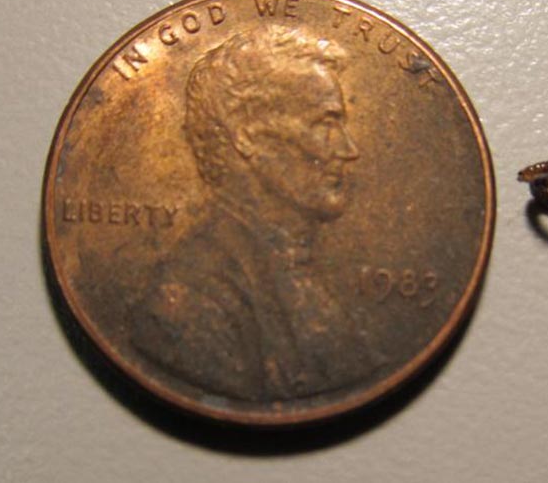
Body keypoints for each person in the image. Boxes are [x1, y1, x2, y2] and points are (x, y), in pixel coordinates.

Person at [130, 25, 378, 401]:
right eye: (325, 124)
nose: (348, 149)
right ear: (246, 134)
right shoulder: (194, 300)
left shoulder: (296, 273)